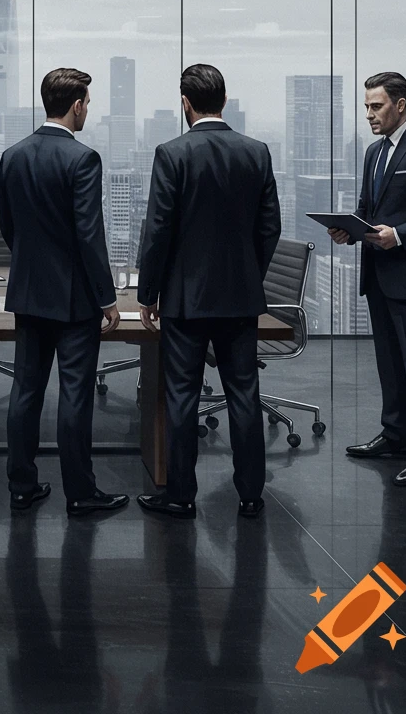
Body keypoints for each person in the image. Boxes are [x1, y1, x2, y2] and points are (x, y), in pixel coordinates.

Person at [137, 63, 281, 520]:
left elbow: (158, 230)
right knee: (244, 393)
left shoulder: (172, 153)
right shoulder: (256, 152)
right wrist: (248, 275)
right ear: (224, 100)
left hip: (186, 300)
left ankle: (180, 496)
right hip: (240, 298)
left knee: (182, 396)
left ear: (185, 103)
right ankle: (251, 495)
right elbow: (270, 228)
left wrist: (148, 293)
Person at [0, 67, 127, 516]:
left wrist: (31, 268)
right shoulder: (83, 159)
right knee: (74, 394)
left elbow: (9, 227)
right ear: (76, 106)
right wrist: (107, 298)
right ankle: (80, 493)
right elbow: (89, 236)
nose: (88, 110)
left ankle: (21, 486)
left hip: (29, 292)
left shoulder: (12, 155)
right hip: (74, 300)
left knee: (25, 391)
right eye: (87, 103)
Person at [329, 72, 406, 487]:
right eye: (366, 107)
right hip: (378, 276)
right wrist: (349, 231)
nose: (369, 114)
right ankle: (395, 436)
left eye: (376, 106)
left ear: (400, 105)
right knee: (391, 366)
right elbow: (368, 209)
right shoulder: (373, 152)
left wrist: (399, 235)